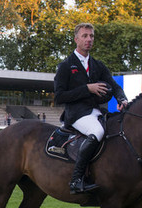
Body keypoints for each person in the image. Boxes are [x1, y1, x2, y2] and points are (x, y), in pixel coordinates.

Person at [54, 23, 128, 194]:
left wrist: (122, 99)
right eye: (85, 36)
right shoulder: (65, 66)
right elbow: (59, 97)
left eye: (91, 36)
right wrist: (87, 88)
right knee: (97, 131)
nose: (89, 39)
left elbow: (114, 86)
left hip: (96, 112)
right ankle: (76, 179)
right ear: (76, 39)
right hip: (76, 114)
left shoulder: (98, 65)